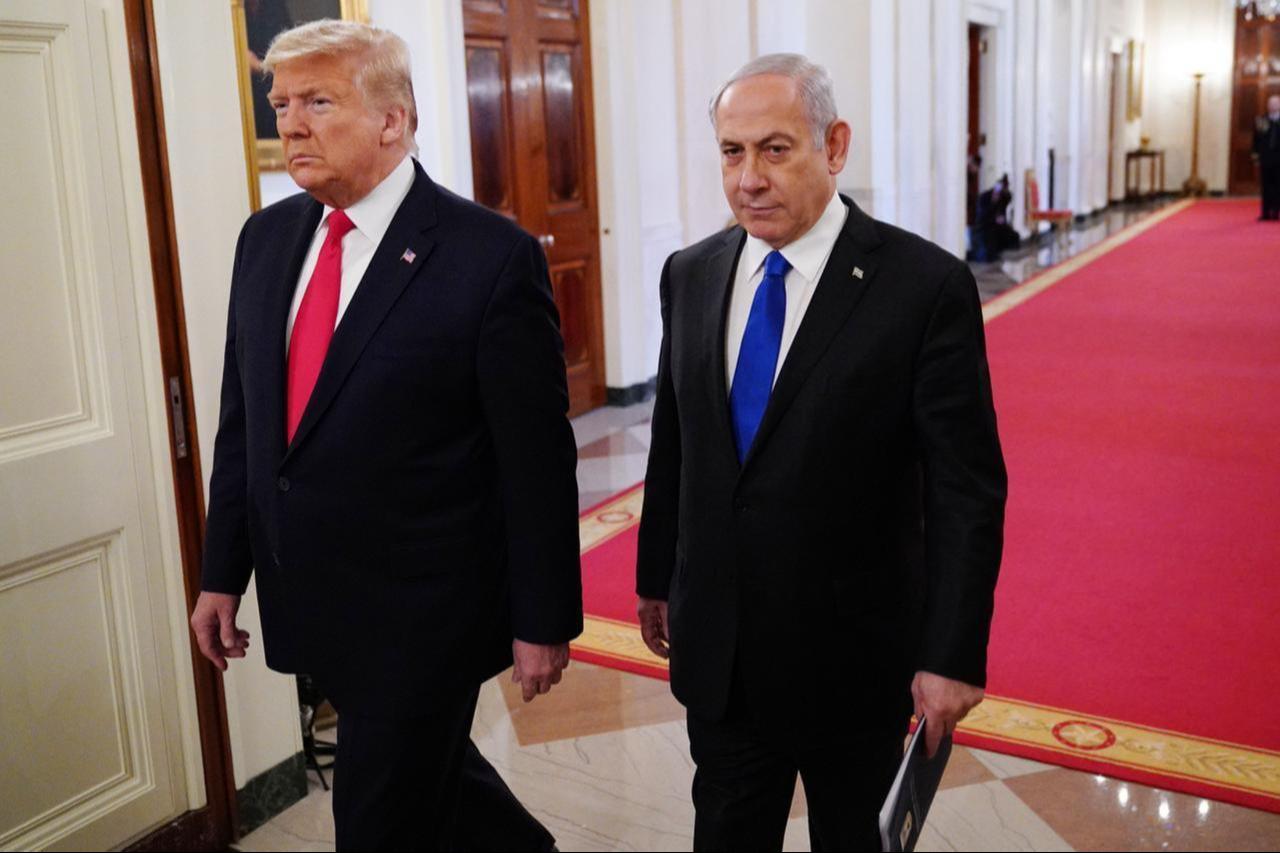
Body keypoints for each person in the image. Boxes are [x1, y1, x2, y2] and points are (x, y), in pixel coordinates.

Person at [188, 20, 581, 852]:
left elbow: (535, 461)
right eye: (281, 103)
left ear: (392, 121)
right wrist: (223, 570)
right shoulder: (265, 242)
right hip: (312, 597)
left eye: (318, 102)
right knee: (436, 784)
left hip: (425, 613)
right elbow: (245, 428)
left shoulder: (488, 257)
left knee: (377, 816)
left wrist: (543, 616)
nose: (290, 124)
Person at [635, 54, 1007, 851]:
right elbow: (678, 440)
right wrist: (655, 577)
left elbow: (965, 490)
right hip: (723, 659)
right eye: (732, 153)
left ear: (834, 146)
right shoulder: (690, 273)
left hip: (853, 664)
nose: (748, 179)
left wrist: (951, 652)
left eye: (775, 149)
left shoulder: (921, 287)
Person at [971, 173, 1020, 261]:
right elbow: (983, 215)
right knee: (990, 238)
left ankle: (999, 252)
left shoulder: (1002, 197)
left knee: (1012, 235)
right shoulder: (985, 197)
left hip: (995, 225)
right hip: (984, 225)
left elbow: (1007, 200)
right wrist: (993, 201)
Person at [1254, 94, 1280, 221]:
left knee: (1278, 186)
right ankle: (1265, 213)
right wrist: (1256, 157)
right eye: (1270, 104)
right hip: (1266, 159)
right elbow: (1256, 140)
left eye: (1275, 104)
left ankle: (1276, 212)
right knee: (1266, 186)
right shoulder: (1261, 120)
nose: (1272, 106)